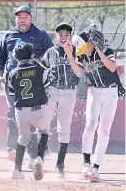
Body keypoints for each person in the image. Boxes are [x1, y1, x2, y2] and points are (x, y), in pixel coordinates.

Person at [0, 5, 53, 166]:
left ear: (31, 19)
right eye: (19, 17)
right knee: (13, 112)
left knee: (32, 116)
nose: (22, 20)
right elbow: (0, 58)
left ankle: (33, 154)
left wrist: (37, 63)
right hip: (12, 81)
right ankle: (12, 149)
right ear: (16, 19)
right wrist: (0, 76)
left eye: (25, 17)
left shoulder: (40, 34)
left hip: (33, 82)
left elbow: (51, 54)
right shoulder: (8, 35)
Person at [71, 28, 120, 182]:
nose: (83, 51)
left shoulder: (106, 49)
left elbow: (112, 68)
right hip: (93, 91)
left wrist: (99, 51)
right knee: (91, 124)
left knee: (104, 131)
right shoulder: (80, 54)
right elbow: (79, 73)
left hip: (110, 92)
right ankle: (86, 164)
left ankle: (95, 168)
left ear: (91, 43)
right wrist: (69, 55)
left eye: (85, 48)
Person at [38, 23, 81, 179]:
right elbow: (42, 71)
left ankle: (60, 165)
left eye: (66, 35)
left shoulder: (77, 52)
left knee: (64, 128)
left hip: (69, 91)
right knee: (44, 123)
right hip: (52, 90)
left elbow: (80, 74)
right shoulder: (50, 52)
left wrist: (70, 55)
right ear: (56, 37)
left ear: (70, 36)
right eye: (60, 35)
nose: (63, 38)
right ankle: (40, 159)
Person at [9, 42, 50, 180]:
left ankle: (17, 170)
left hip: (21, 111)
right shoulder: (40, 69)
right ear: (32, 56)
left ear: (16, 57)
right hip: (38, 109)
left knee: (23, 139)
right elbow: (47, 85)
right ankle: (39, 157)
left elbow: (12, 92)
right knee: (43, 131)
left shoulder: (12, 73)